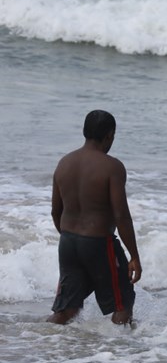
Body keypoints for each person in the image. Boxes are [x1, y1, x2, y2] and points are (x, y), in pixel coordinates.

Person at [47, 110, 141, 327]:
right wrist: (134, 256)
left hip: (68, 242)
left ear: (84, 132)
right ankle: (120, 354)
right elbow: (121, 216)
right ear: (110, 135)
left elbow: (55, 211)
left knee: (66, 309)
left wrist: (72, 239)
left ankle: (42, 340)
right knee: (123, 303)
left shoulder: (64, 163)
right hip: (99, 243)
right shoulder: (112, 167)